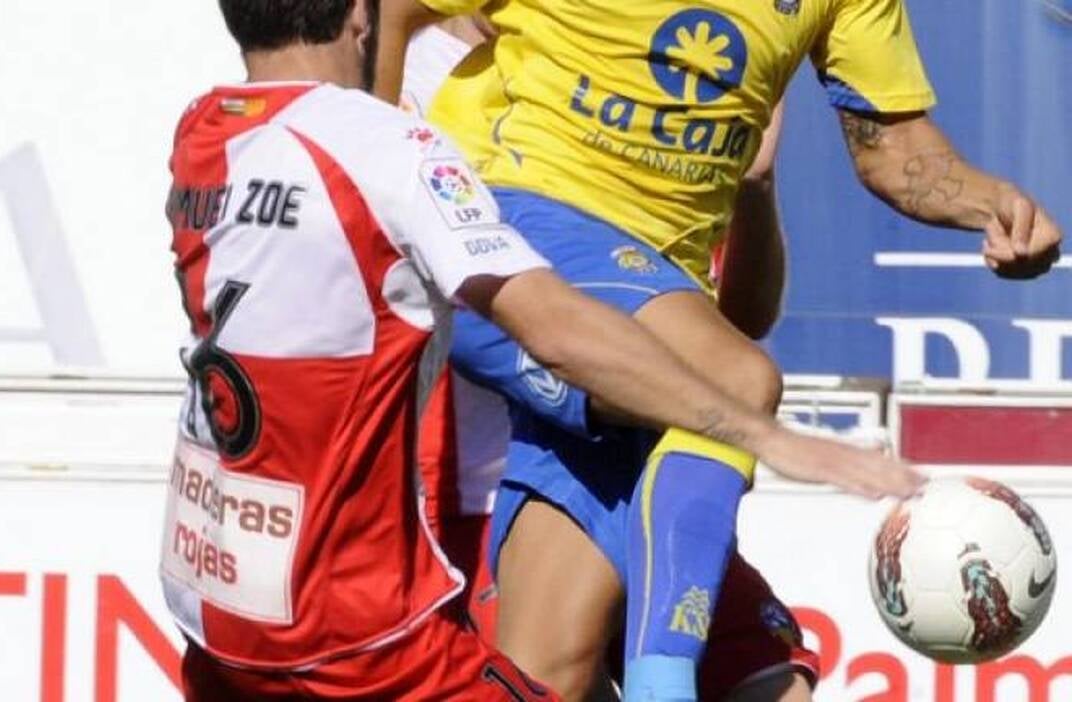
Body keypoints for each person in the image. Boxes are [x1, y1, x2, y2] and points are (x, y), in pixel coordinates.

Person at [159, 1, 923, 699]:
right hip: (451, 529)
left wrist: (753, 191)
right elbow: (553, 327)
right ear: (361, 15)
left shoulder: (208, 130)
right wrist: (764, 431)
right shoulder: (402, 131)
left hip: (234, 586)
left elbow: (737, 320)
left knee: (770, 679)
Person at [376, 0, 1062, 700]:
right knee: (733, 377)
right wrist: (354, 180)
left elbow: (894, 149)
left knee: (549, 674)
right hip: (508, 225)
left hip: (644, 305)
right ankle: (663, 683)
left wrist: (996, 205)